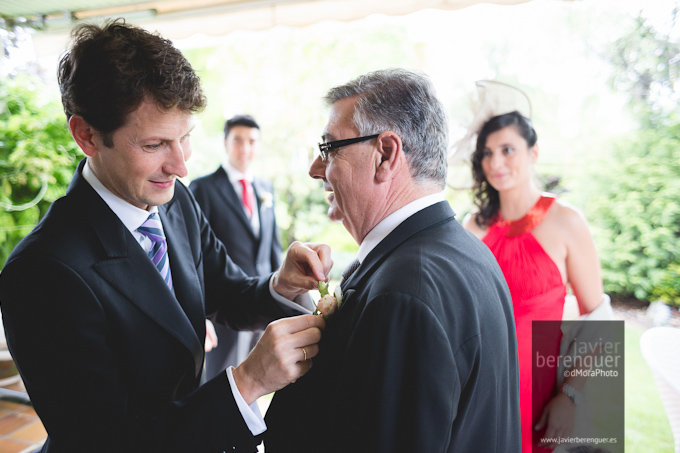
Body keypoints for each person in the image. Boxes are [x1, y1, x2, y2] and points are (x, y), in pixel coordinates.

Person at [0, 20, 329, 453]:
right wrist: (247, 382)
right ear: (87, 136)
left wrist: (280, 284)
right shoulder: (41, 271)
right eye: (154, 145)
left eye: (185, 138)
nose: (181, 166)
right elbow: (105, 442)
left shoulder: (177, 203)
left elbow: (226, 292)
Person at [264, 68, 521, 452]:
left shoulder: (402, 294)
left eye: (329, 148)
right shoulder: (469, 252)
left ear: (385, 154)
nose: (316, 170)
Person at [462, 110, 605, 452]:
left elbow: (598, 322)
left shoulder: (567, 222)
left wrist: (569, 396)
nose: (495, 161)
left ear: (534, 153)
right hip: (476, 386)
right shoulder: (472, 226)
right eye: (487, 152)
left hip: (537, 390)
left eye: (507, 149)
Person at [190, 114, 282, 379]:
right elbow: (194, 254)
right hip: (224, 306)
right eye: (238, 140)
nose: (245, 148)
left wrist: (279, 297)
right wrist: (200, 311)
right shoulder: (203, 188)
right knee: (222, 378)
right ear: (225, 142)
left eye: (252, 141)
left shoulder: (265, 188)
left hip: (262, 300)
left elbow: (272, 246)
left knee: (260, 377)